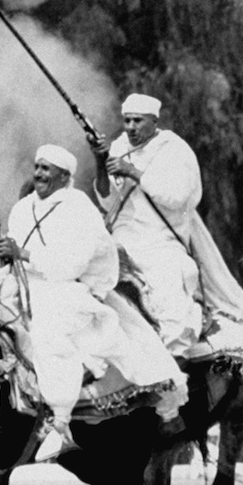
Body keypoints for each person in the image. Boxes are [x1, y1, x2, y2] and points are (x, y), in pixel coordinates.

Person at [0, 144, 187, 461]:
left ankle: (60, 421)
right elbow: (10, 253)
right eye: (37, 167)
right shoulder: (23, 208)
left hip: (66, 288)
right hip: (19, 284)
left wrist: (22, 254)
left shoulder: (78, 208)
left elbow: (72, 265)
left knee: (49, 335)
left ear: (64, 175)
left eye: (46, 169)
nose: (39, 174)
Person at [91, 94, 204, 355]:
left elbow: (177, 198)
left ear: (154, 121)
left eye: (137, 121)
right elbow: (108, 203)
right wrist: (100, 161)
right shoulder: (119, 147)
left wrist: (133, 172)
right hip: (121, 237)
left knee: (167, 286)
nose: (130, 127)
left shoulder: (174, 149)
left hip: (160, 239)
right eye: (127, 121)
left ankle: (176, 357)